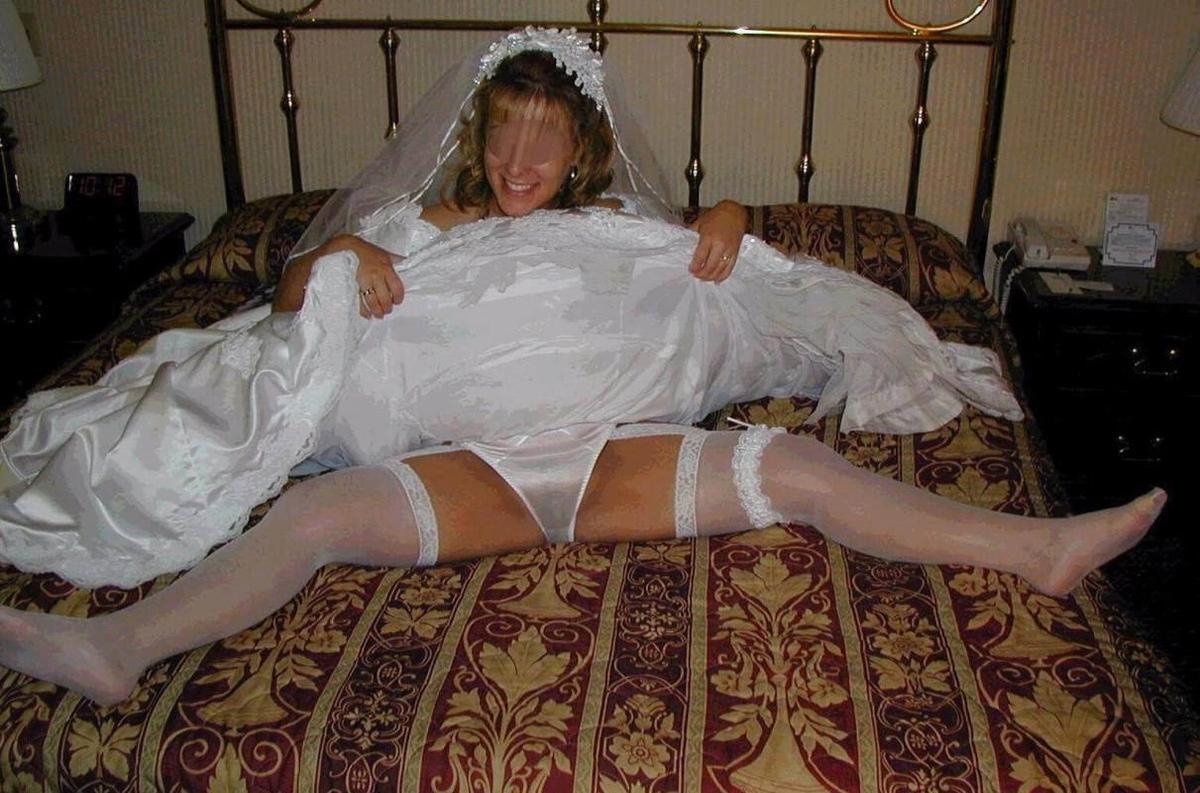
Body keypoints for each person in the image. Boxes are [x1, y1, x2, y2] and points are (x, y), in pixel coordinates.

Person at [0, 28, 1165, 707]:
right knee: (310, 519)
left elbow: (729, 278)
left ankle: (1038, 548)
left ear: (580, 147)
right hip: (467, 473)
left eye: (546, 137)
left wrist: (732, 214)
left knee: (802, 471)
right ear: (476, 136)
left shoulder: (615, 232)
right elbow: (292, 312)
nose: (522, 159)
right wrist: (341, 256)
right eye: (504, 132)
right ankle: (118, 645)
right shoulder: (414, 227)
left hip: (616, 459)